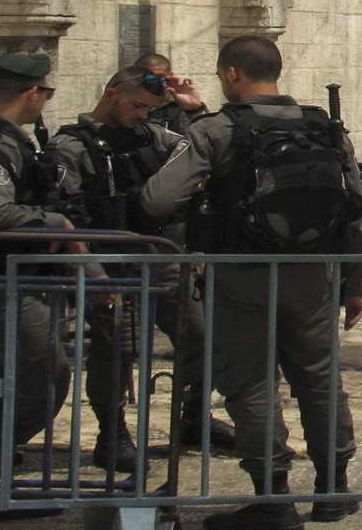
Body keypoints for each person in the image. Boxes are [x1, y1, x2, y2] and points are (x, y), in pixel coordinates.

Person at [139, 36, 362, 529]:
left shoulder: (217, 129)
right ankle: (333, 489)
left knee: (251, 384)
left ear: (231, 75)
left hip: (241, 274)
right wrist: (355, 282)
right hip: (314, 276)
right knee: (320, 379)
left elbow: (158, 200)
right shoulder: (324, 128)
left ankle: (274, 498)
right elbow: (357, 210)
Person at [49, 66, 236, 471]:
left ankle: (194, 417)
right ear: (112, 91)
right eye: (136, 105)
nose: (141, 114)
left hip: (161, 256)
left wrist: (195, 110)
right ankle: (112, 435)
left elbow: (199, 149)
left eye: (150, 109)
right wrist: (89, 268)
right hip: (112, 262)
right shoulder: (72, 145)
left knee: (202, 339)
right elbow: (66, 210)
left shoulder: (153, 136)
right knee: (117, 352)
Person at [0, 53, 80, 522]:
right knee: (35, 375)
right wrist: (55, 222)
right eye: (46, 92)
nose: (44, 100)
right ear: (31, 93)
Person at [132, 52, 209, 136]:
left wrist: (194, 110)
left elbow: (205, 138)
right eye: (149, 78)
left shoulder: (180, 106)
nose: (155, 83)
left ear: (170, 76)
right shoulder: (127, 104)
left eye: (160, 78)